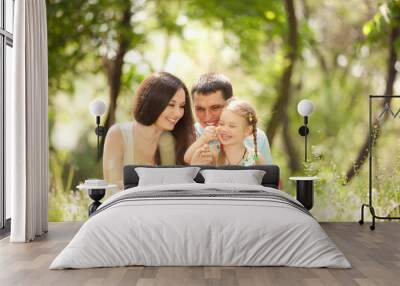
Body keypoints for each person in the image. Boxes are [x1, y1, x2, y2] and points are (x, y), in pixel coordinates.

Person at [103, 72, 195, 189]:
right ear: (153, 102)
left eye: (182, 106)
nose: (178, 113)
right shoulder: (118, 134)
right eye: (171, 105)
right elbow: (112, 186)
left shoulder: (177, 140)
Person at [184, 72, 272, 165]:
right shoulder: (189, 137)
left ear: (231, 104)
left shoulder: (257, 141)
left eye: (215, 107)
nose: (207, 117)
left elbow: (267, 175)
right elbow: (186, 161)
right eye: (200, 109)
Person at [191, 99, 265, 166]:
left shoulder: (255, 157)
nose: (224, 129)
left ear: (247, 131)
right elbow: (189, 161)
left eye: (232, 126)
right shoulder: (213, 152)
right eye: (221, 124)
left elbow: (265, 180)